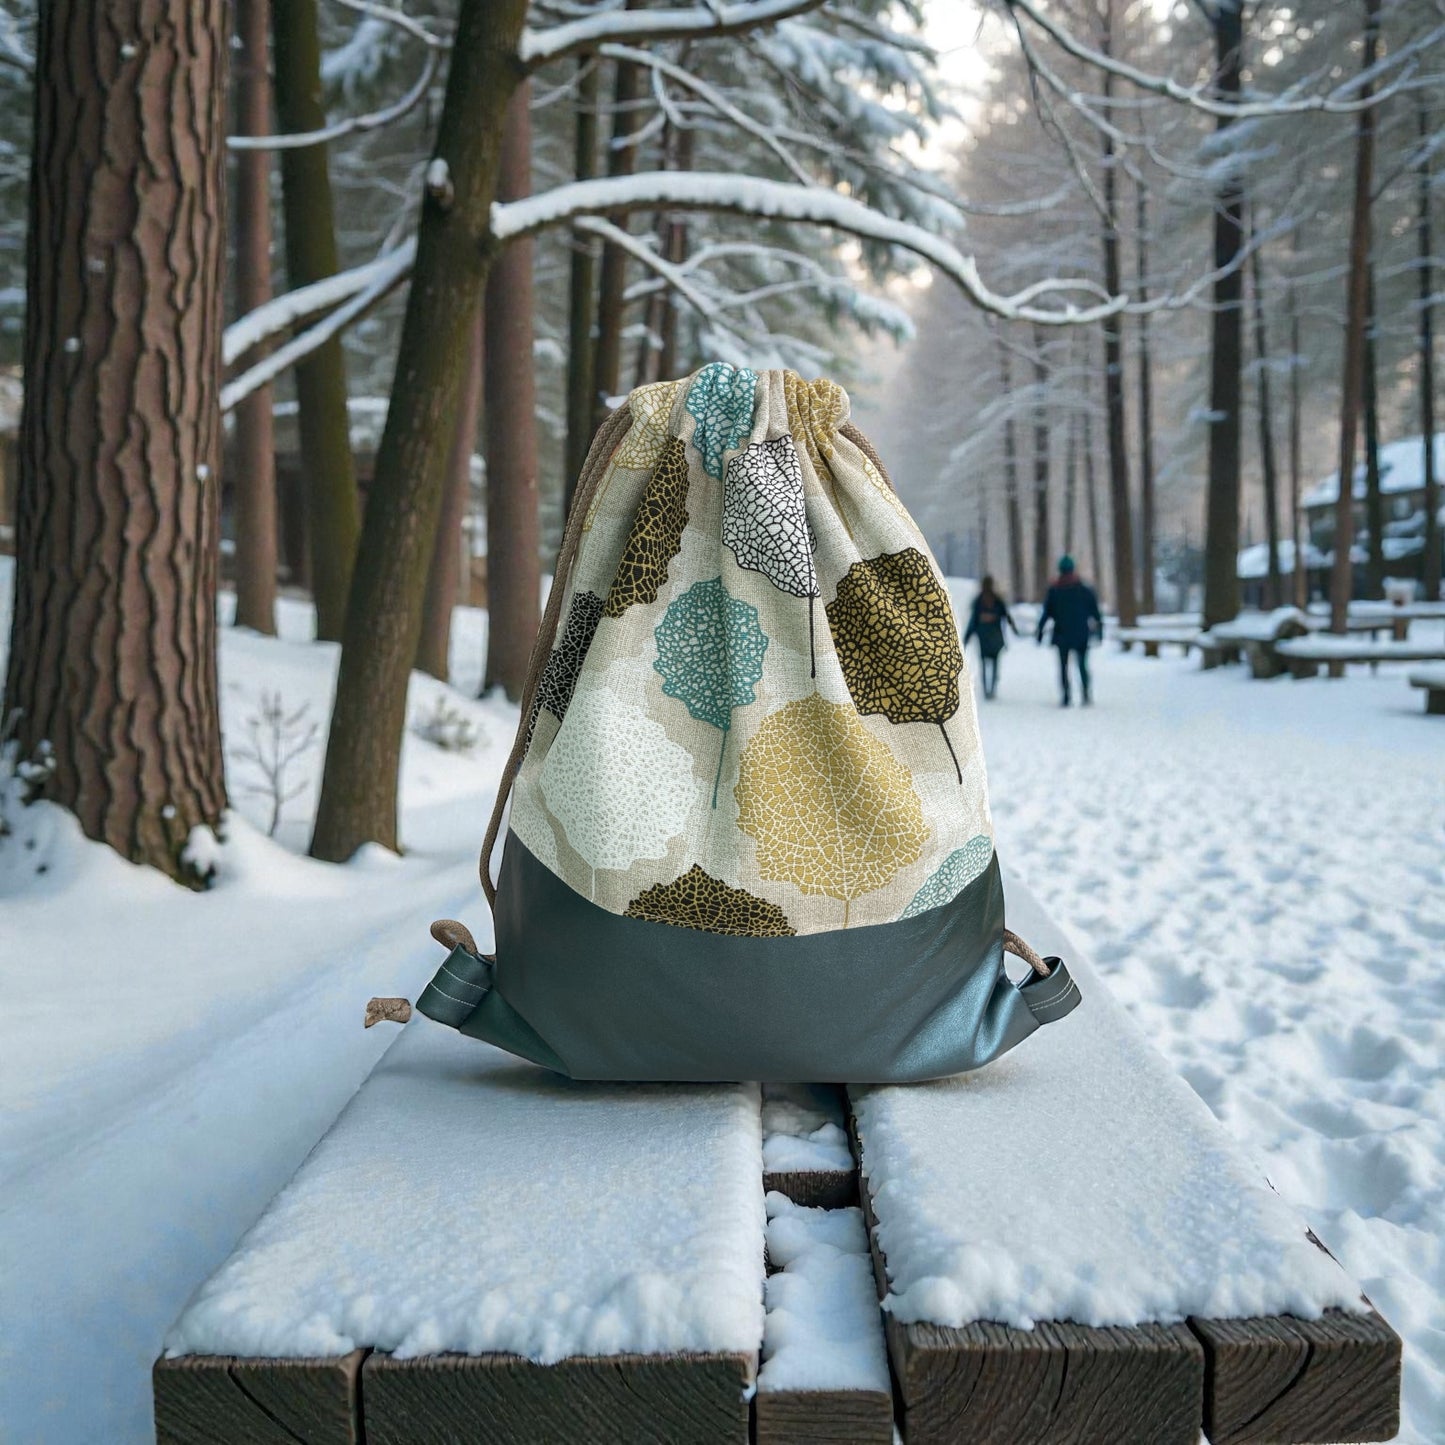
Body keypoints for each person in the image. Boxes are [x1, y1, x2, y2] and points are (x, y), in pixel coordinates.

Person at [1036, 555, 1103, 706]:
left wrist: (1040, 632)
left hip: (1062, 634)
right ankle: (1085, 694)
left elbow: (1046, 613)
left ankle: (1066, 696)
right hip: (1081, 634)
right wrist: (1099, 632)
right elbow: (1095, 613)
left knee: (1063, 666)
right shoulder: (1084, 590)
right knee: (1082, 665)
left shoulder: (1054, 591)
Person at [963, 575, 1020, 700]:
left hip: (983, 637)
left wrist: (966, 638)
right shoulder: (997, 600)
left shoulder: (979, 601)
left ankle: (986, 690)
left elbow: (973, 622)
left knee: (984, 663)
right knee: (995, 662)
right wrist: (1015, 629)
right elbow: (1007, 616)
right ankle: (992, 689)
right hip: (995, 636)